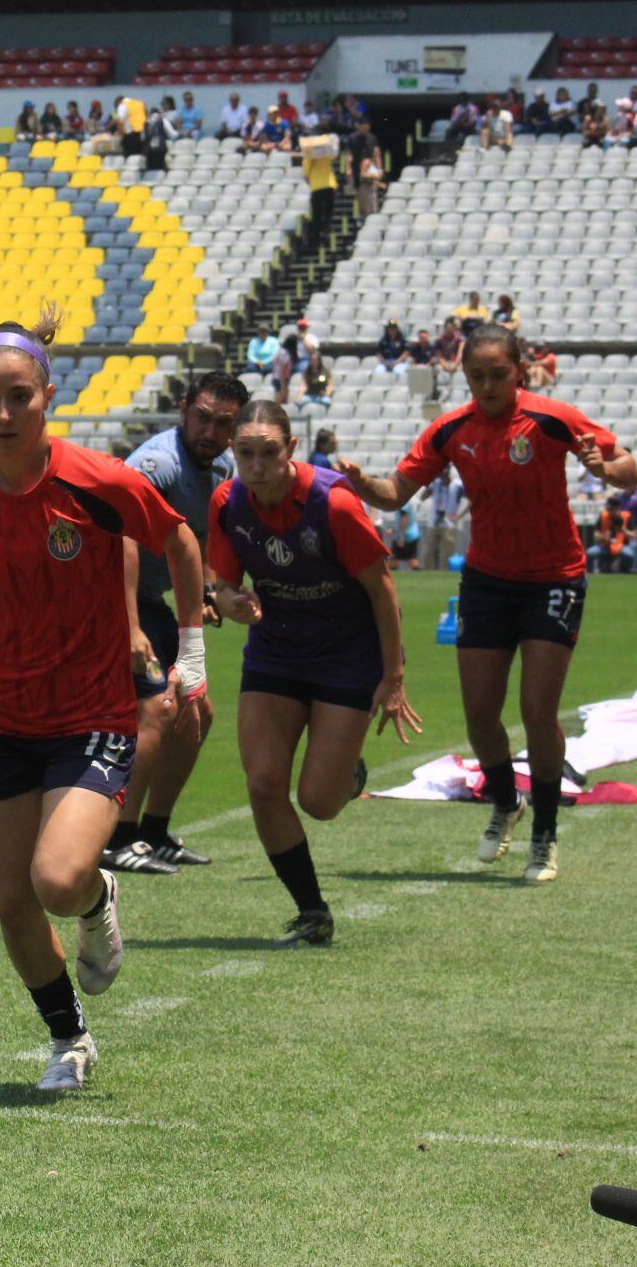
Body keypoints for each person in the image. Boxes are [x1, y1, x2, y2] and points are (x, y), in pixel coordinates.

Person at [0, 308, 207, 1092]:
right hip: (3, 721)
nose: (3, 413)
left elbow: (182, 542)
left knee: (58, 881)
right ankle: (71, 1040)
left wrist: (190, 653)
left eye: (18, 395)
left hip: (91, 715)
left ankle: (97, 896)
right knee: (12, 899)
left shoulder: (97, 482)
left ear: (47, 395)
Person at [336, 325, 637, 883]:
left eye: (499, 374)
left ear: (519, 370)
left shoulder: (552, 419)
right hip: (488, 581)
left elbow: (628, 469)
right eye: (477, 376)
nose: (488, 385)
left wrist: (604, 469)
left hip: (554, 578)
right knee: (479, 716)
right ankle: (505, 801)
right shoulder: (451, 430)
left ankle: (544, 834)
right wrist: (360, 483)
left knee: (536, 711)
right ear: (465, 375)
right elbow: (395, 492)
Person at [210, 401, 422, 947]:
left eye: (268, 453)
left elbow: (383, 591)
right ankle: (312, 911)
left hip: (346, 656)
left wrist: (392, 678)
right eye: (245, 453)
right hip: (276, 653)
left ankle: (349, 775)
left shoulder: (334, 504)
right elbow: (224, 586)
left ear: (291, 451)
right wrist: (232, 601)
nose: (255, 466)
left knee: (319, 802)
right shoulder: (226, 503)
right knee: (262, 784)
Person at [105, 371, 248, 876]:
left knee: (197, 712)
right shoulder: (158, 463)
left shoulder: (223, 467)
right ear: (184, 409)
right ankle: (115, 838)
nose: (209, 431)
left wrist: (208, 591)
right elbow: (119, 533)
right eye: (202, 418)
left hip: (148, 599)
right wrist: (129, 627)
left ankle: (153, 831)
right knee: (158, 712)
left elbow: (202, 540)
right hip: (110, 598)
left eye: (223, 424)